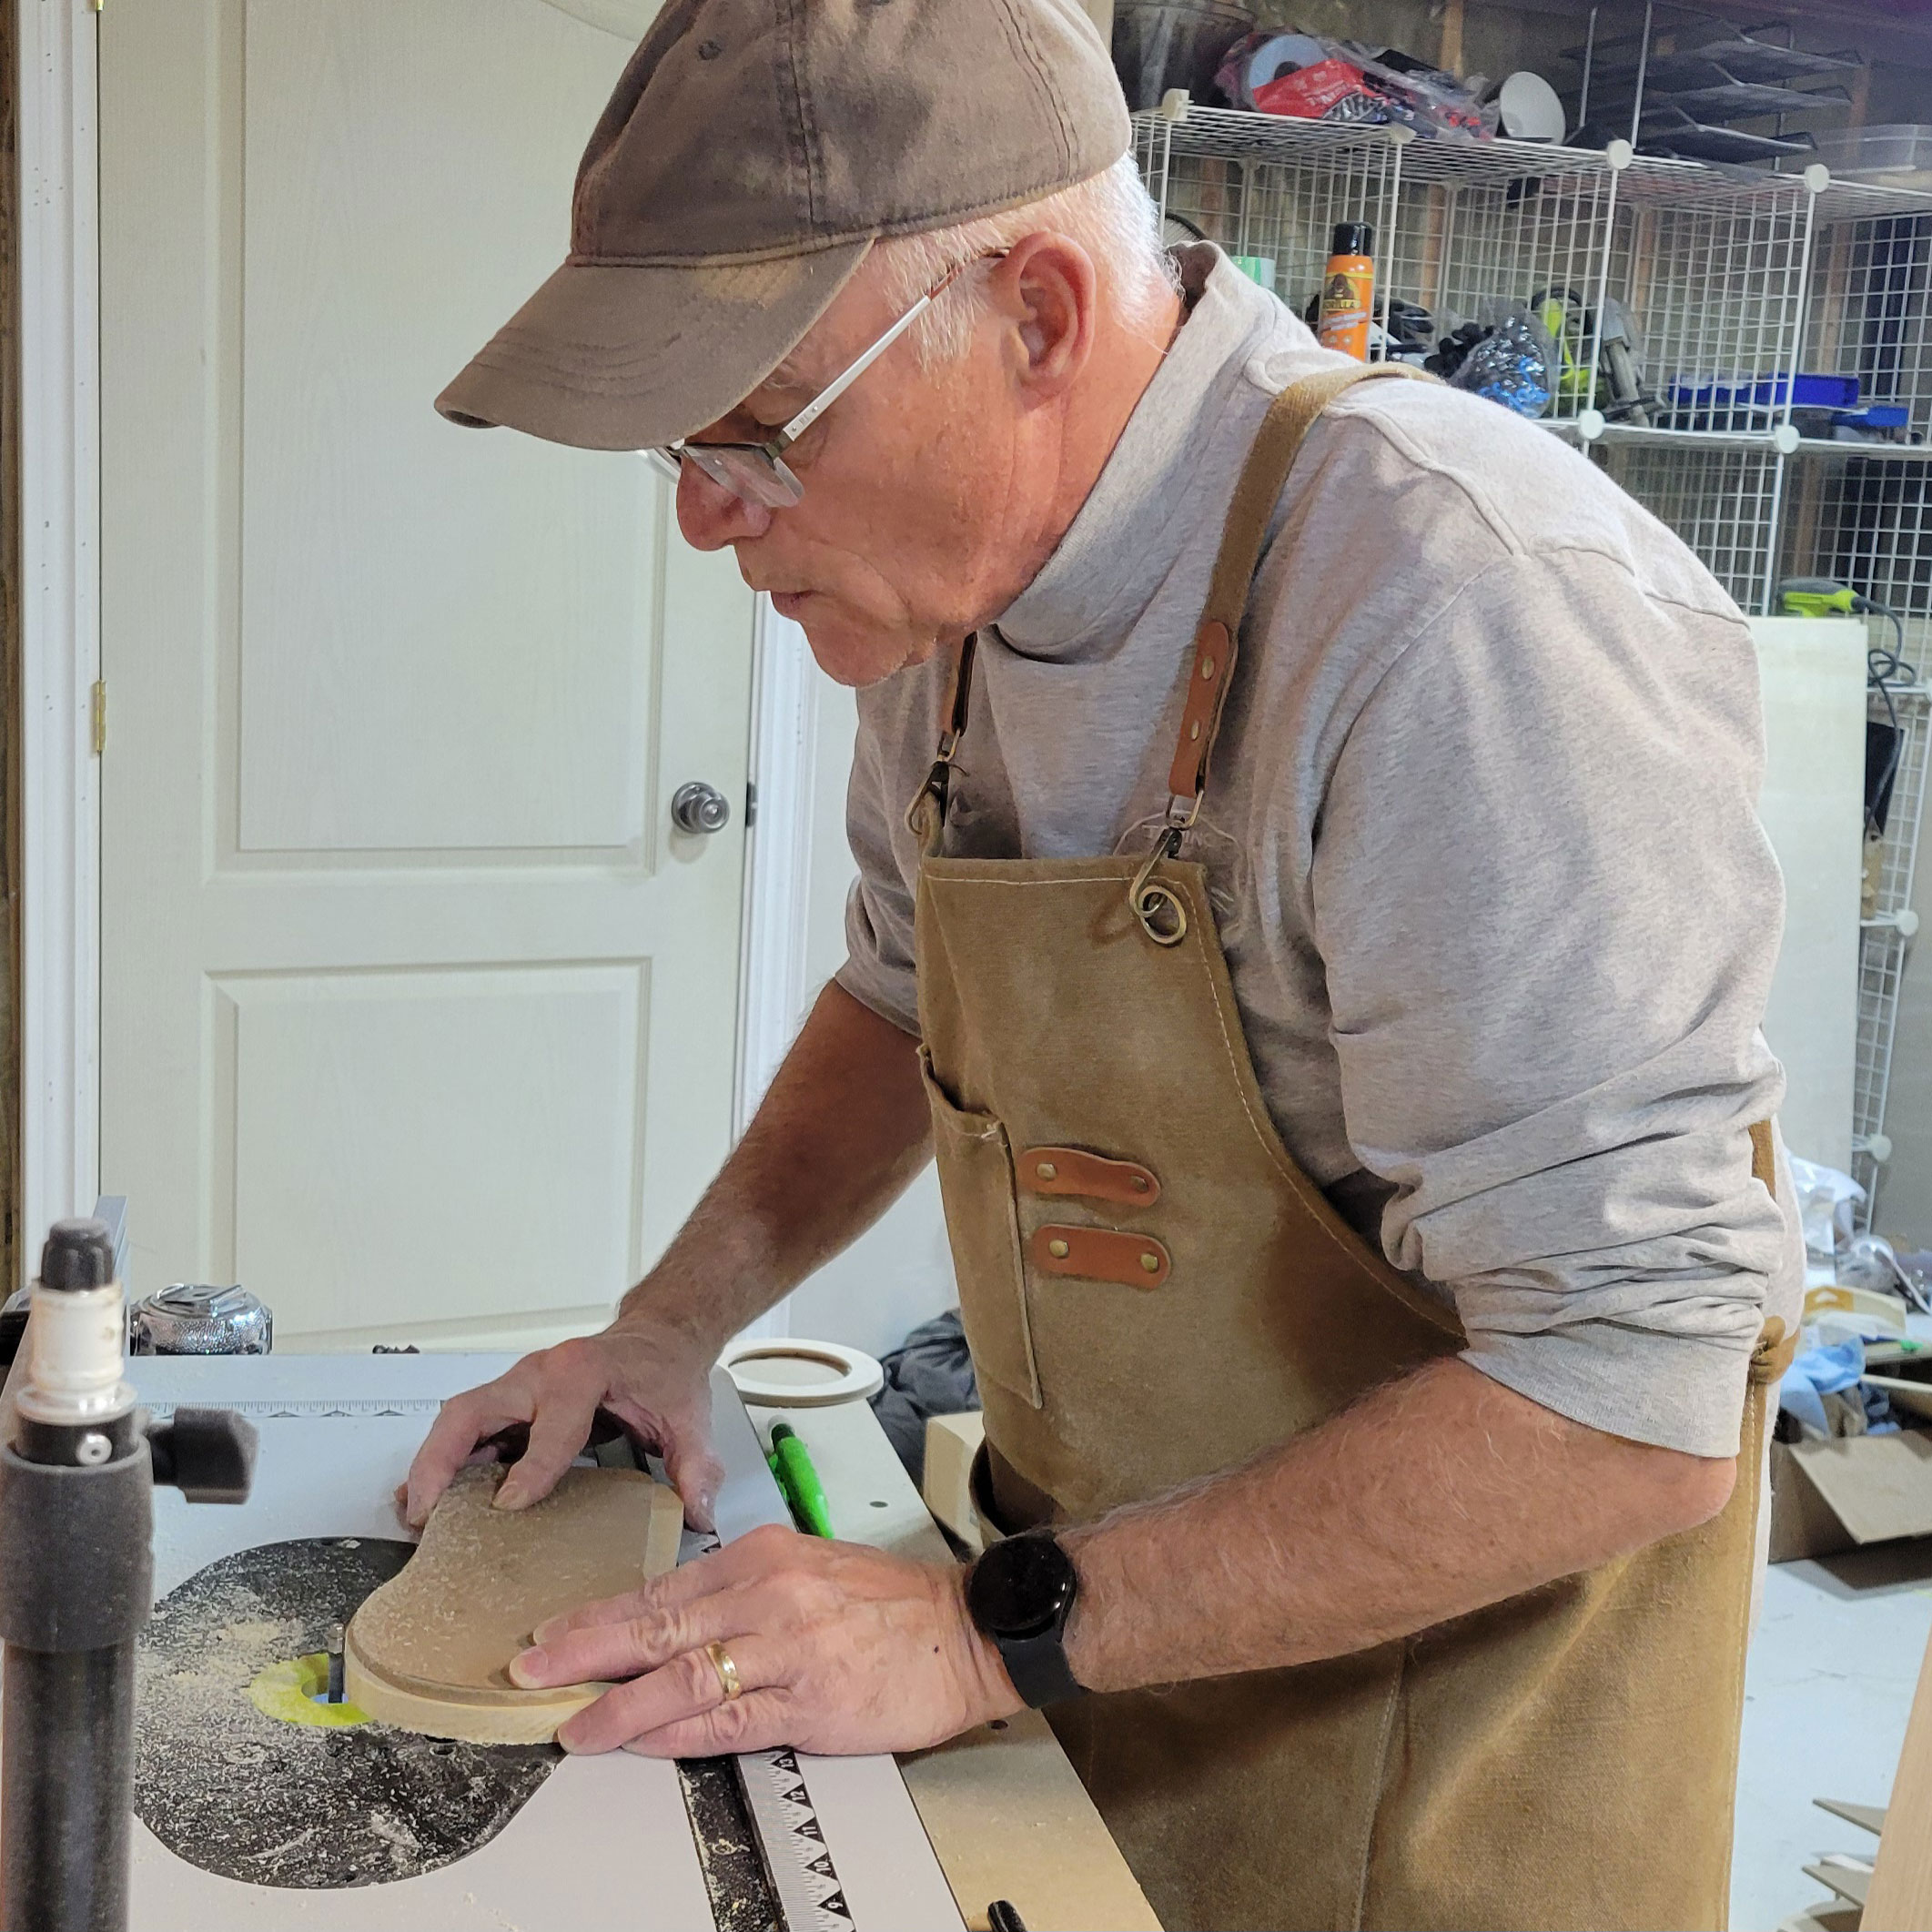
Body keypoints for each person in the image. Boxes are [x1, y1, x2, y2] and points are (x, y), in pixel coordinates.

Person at [408, 1, 1803, 1924]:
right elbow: (906, 998)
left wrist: (987, 1636)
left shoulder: (1460, 617)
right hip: (1108, 1673)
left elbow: (1633, 1393)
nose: (705, 517)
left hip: (1438, 1795)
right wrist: (671, 1322)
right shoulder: (957, 610)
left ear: (1040, 321)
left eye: (753, 433)